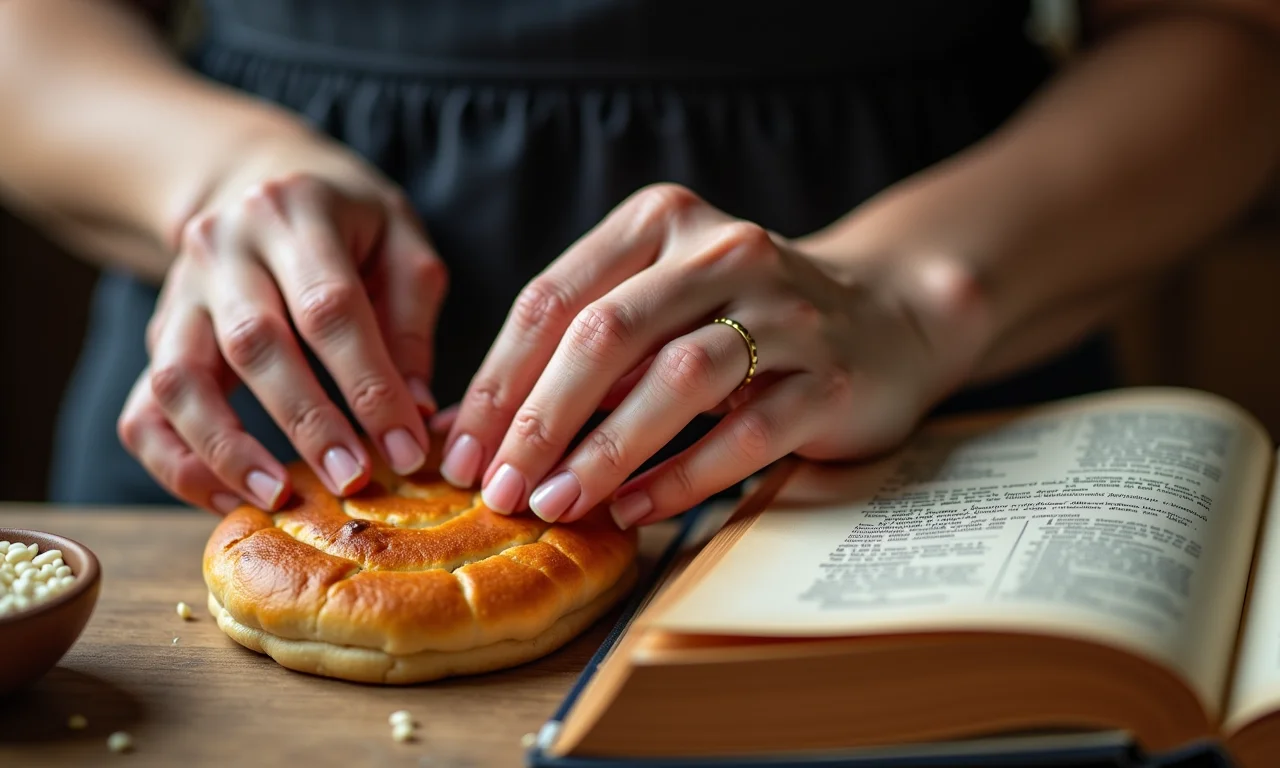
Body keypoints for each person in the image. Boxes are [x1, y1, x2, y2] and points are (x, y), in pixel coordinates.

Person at [1, 0, 1278, 530]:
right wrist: (211, 174)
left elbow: (1224, 33)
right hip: (257, 397)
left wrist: (901, 291)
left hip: (930, 385)